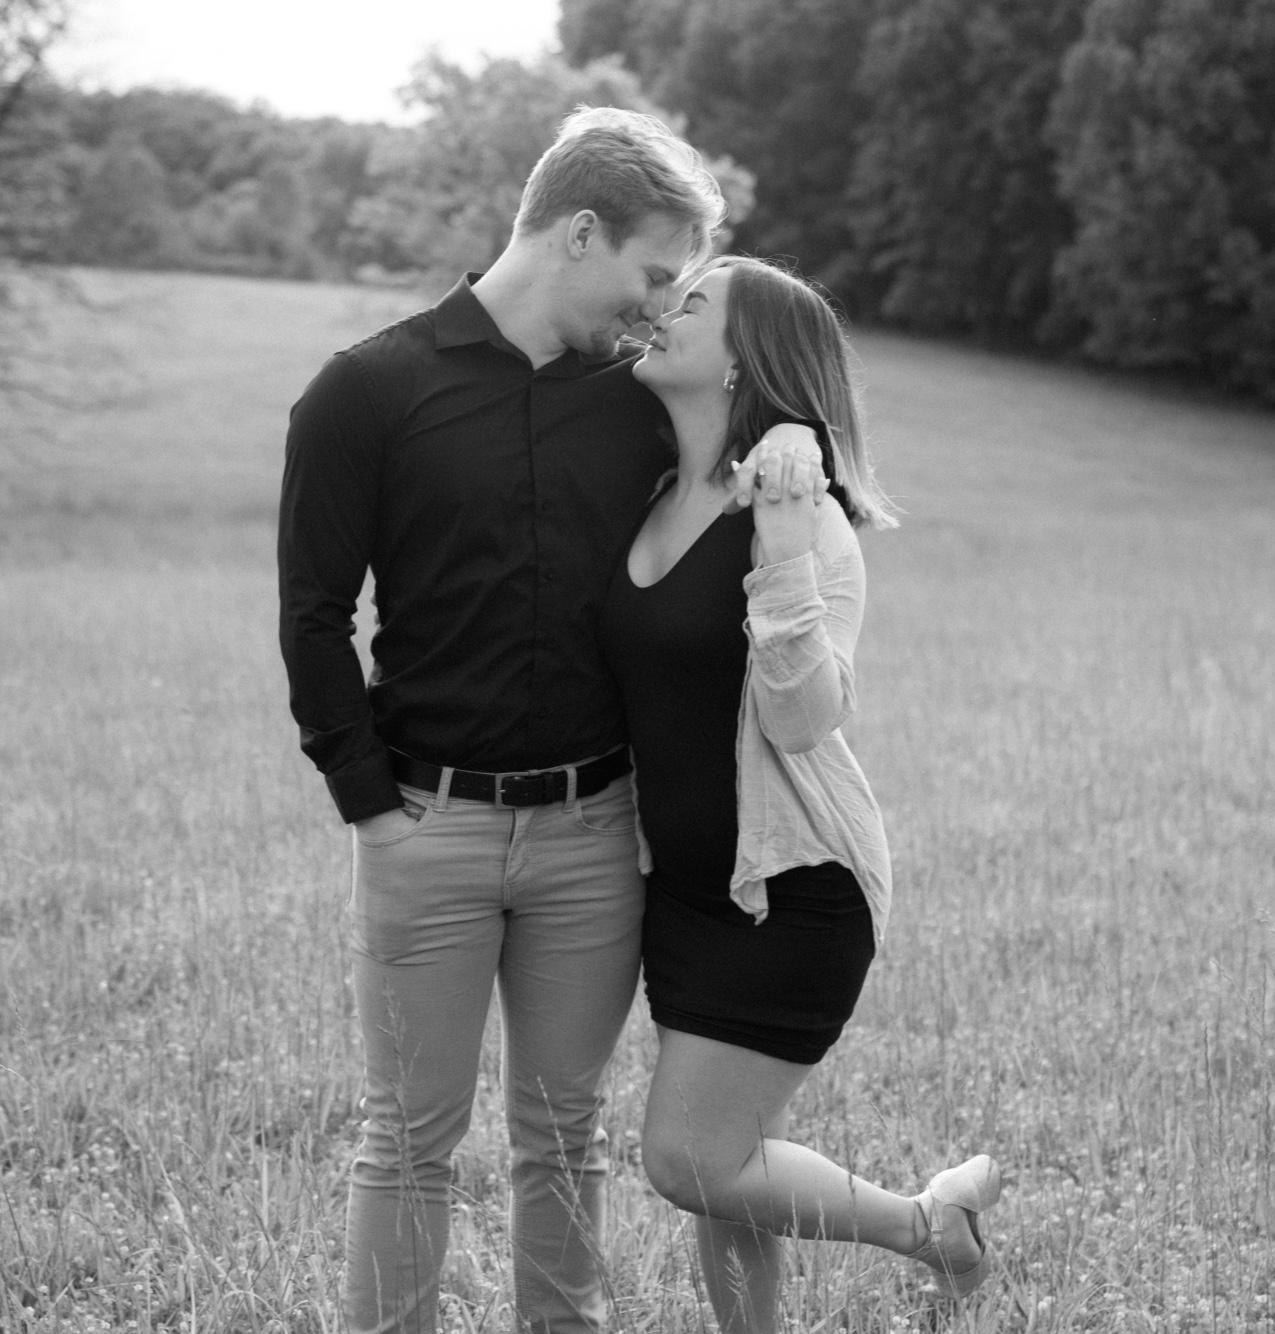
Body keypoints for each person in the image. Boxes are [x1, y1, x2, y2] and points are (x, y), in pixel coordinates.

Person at [277, 109, 823, 1334]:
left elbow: (741, 440)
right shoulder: (366, 390)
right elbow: (313, 614)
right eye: (651, 274)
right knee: (406, 1138)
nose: (656, 311)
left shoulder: (633, 400)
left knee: (564, 1134)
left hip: (592, 836)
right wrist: (374, 808)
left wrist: (789, 435)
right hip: (425, 823)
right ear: (579, 232)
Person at [597, 255, 1002, 1334]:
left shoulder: (802, 518)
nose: (662, 310)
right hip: (686, 890)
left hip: (794, 887)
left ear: (745, 360)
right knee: (734, 1167)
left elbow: (802, 717)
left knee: (690, 1159)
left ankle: (930, 1224)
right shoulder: (651, 488)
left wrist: (778, 552)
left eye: (692, 303)